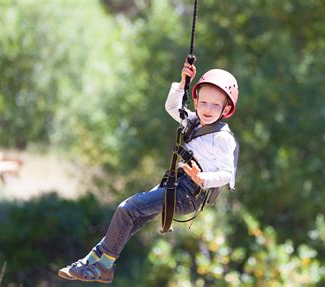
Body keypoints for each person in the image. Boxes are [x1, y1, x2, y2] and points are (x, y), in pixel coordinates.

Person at [58, 60, 239, 283]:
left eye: (215, 105)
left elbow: (227, 173)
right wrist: (182, 82)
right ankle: (92, 260)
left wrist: (202, 178)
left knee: (128, 208)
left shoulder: (222, 137)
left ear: (226, 109)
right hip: (176, 184)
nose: (207, 109)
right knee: (132, 220)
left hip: (189, 193)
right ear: (196, 101)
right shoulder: (193, 121)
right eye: (203, 103)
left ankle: (104, 267)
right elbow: (172, 107)